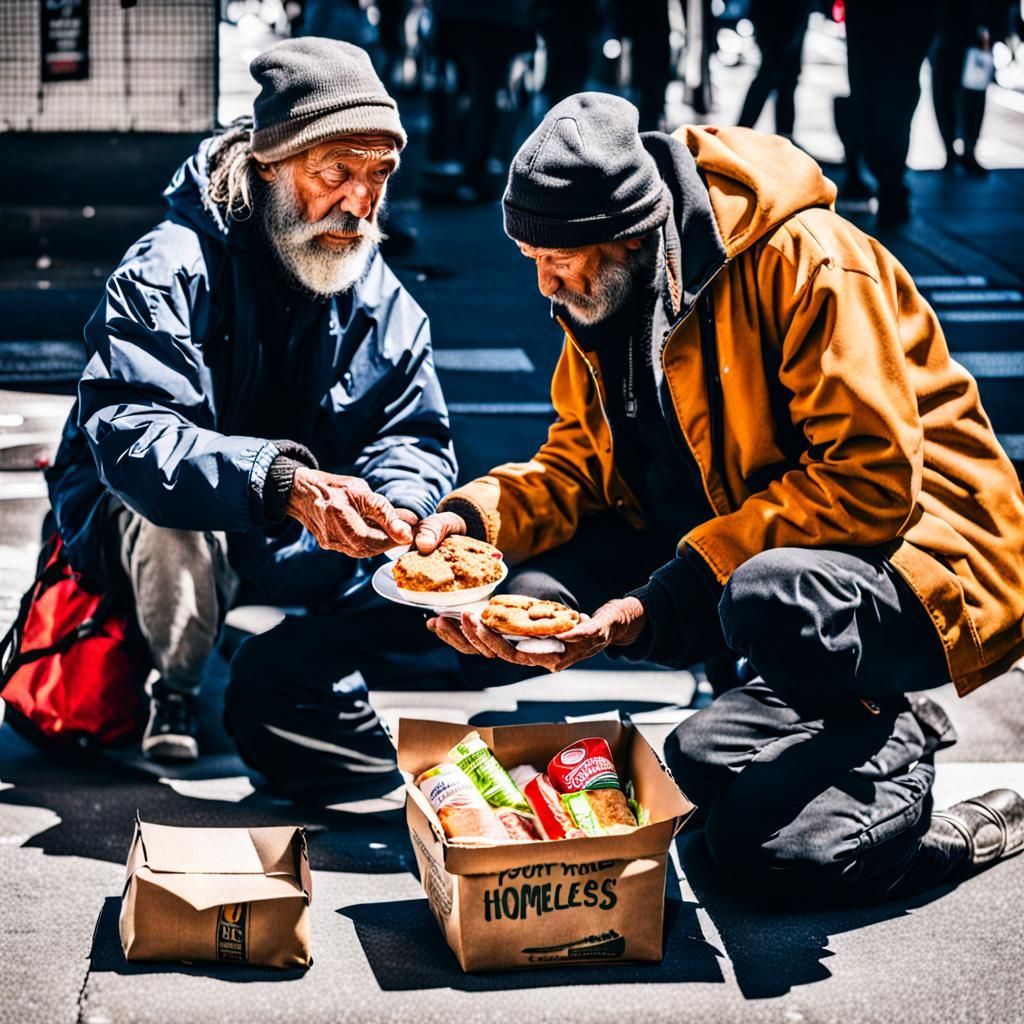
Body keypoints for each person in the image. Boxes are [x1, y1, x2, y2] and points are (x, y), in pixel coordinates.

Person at [415, 92, 1024, 903]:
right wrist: (468, 521)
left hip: (916, 559)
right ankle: (808, 709)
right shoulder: (601, 290)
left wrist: (654, 602)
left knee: (768, 608)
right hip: (761, 551)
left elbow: (869, 480)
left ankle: (912, 754)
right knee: (723, 828)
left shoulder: (805, 259)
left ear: (630, 235)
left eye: (555, 259)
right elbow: (578, 465)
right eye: (530, 257)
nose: (542, 283)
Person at [44, 38, 457, 766]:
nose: (359, 202)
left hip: (288, 534)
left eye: (379, 175)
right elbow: (135, 432)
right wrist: (280, 481)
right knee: (167, 515)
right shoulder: (168, 265)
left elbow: (411, 430)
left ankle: (272, 647)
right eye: (336, 172)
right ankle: (173, 682)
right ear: (270, 164)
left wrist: (403, 508)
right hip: (163, 518)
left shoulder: (369, 278)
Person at [839, 0, 938, 224]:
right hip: (906, 18)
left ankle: (881, 175)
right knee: (896, 97)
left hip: (872, 18)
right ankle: (888, 179)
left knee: (870, 95)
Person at [932, 0, 1007, 177]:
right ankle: (955, 149)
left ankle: (964, 149)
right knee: (950, 93)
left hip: (966, 32)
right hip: (952, 31)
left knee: (965, 94)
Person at [737, 0, 813, 137]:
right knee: (771, 72)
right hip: (777, 13)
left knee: (787, 75)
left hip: (791, 11)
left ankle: (783, 131)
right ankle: (743, 130)